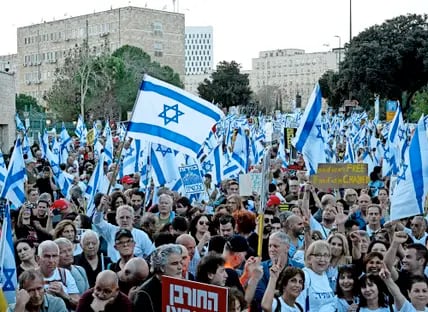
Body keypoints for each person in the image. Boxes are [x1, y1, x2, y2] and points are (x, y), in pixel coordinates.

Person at [131, 244, 183, 312]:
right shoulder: (144, 294)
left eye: (181, 262)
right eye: (175, 263)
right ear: (161, 267)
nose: (180, 267)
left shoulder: (184, 286)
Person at [37, 240, 80, 309]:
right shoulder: (30, 276)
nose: (51, 260)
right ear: (38, 259)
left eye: (54, 256)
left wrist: (63, 294)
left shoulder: (64, 274)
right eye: (47, 256)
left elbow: (78, 304)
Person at [296, 240, 336, 312]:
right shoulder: (304, 275)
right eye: (318, 255)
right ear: (309, 259)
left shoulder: (324, 275)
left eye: (326, 255)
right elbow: (298, 305)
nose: (322, 259)